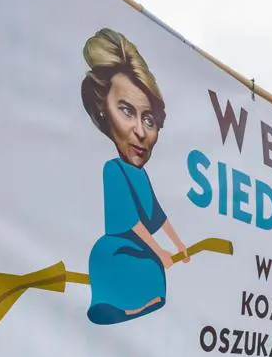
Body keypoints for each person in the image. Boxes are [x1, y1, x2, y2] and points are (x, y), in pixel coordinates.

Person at [80, 28, 190, 325]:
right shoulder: (113, 170)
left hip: (142, 249)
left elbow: (157, 213)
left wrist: (179, 246)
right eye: (126, 111)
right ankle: (116, 304)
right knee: (142, 268)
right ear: (103, 111)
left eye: (149, 119)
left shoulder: (141, 174)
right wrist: (161, 251)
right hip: (118, 250)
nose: (141, 131)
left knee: (152, 273)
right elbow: (130, 221)